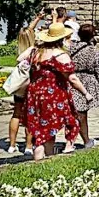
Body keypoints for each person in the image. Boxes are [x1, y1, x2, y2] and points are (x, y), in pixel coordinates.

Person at [24, 23, 91, 160]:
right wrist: (86, 93)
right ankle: (46, 160)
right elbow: (72, 78)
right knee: (49, 131)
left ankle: (40, 159)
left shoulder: (37, 52)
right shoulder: (59, 54)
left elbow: (20, 59)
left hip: (34, 94)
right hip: (52, 96)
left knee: (40, 132)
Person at [7, 14, 43, 154]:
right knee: (30, 115)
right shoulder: (34, 50)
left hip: (19, 85)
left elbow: (27, 31)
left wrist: (37, 19)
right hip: (31, 85)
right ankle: (28, 146)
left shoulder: (21, 45)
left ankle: (12, 144)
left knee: (16, 113)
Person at [69, 23, 99, 150]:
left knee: (76, 112)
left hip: (72, 79)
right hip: (86, 82)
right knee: (81, 113)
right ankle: (84, 141)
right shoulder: (93, 50)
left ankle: (74, 141)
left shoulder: (71, 48)